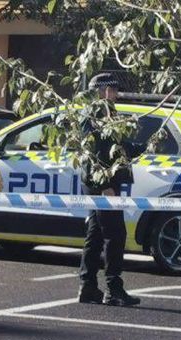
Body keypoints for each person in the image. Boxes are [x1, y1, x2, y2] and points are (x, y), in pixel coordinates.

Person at [78, 73, 139, 307]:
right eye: (111, 90)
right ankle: (113, 289)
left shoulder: (105, 114)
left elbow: (117, 148)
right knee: (115, 235)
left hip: (100, 181)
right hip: (101, 182)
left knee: (95, 235)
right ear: (101, 90)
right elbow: (96, 152)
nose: (115, 94)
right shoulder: (95, 115)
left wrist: (144, 147)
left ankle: (88, 287)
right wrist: (105, 187)